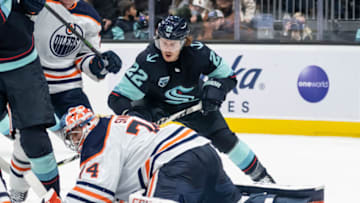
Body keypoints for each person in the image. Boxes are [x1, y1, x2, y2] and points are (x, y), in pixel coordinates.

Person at [108, 15, 275, 184]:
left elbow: (228, 76)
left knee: (226, 139)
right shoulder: (148, 61)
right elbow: (116, 98)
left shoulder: (199, 53)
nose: (167, 48)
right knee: (148, 149)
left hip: (196, 105)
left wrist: (215, 88)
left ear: (184, 42)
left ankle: (262, 177)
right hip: (157, 111)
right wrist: (134, 115)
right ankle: (134, 183)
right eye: (163, 42)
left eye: (172, 44)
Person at [7, 0, 122, 202]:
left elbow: (84, 56)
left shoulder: (89, 15)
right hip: (31, 84)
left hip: (69, 91)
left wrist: (99, 64)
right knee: (27, 144)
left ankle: (96, 190)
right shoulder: (38, 5)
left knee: (91, 138)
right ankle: (17, 195)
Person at [44, 105, 242, 202]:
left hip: (176, 164)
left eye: (75, 133)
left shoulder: (96, 139)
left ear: (86, 125)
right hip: (203, 150)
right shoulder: (115, 124)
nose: (74, 141)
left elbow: (93, 194)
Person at [0, 0, 60, 198]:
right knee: (12, 129)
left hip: (22, 63)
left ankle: (53, 197)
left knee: (35, 141)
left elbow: (33, 7)